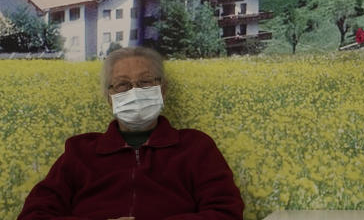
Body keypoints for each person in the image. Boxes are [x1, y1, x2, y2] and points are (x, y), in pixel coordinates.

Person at [19, 47, 244, 220]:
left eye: (145, 82)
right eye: (122, 85)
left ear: (162, 90)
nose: (135, 91)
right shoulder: (80, 151)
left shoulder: (195, 147)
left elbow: (226, 212)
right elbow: (34, 215)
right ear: (109, 96)